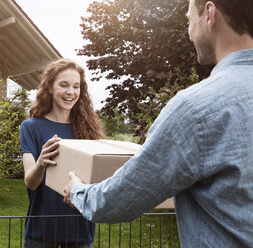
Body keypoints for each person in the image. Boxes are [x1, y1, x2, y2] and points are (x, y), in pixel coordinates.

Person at [63, 0, 253, 247]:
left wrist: (78, 191)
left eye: (188, 20)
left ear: (209, 14)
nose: (189, 32)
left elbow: (120, 199)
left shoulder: (195, 110)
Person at [20, 58, 104, 248]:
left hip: (80, 229)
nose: (70, 92)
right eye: (63, 85)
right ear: (49, 87)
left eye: (76, 86)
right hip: (41, 231)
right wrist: (41, 161)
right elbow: (30, 183)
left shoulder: (88, 130)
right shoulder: (30, 127)